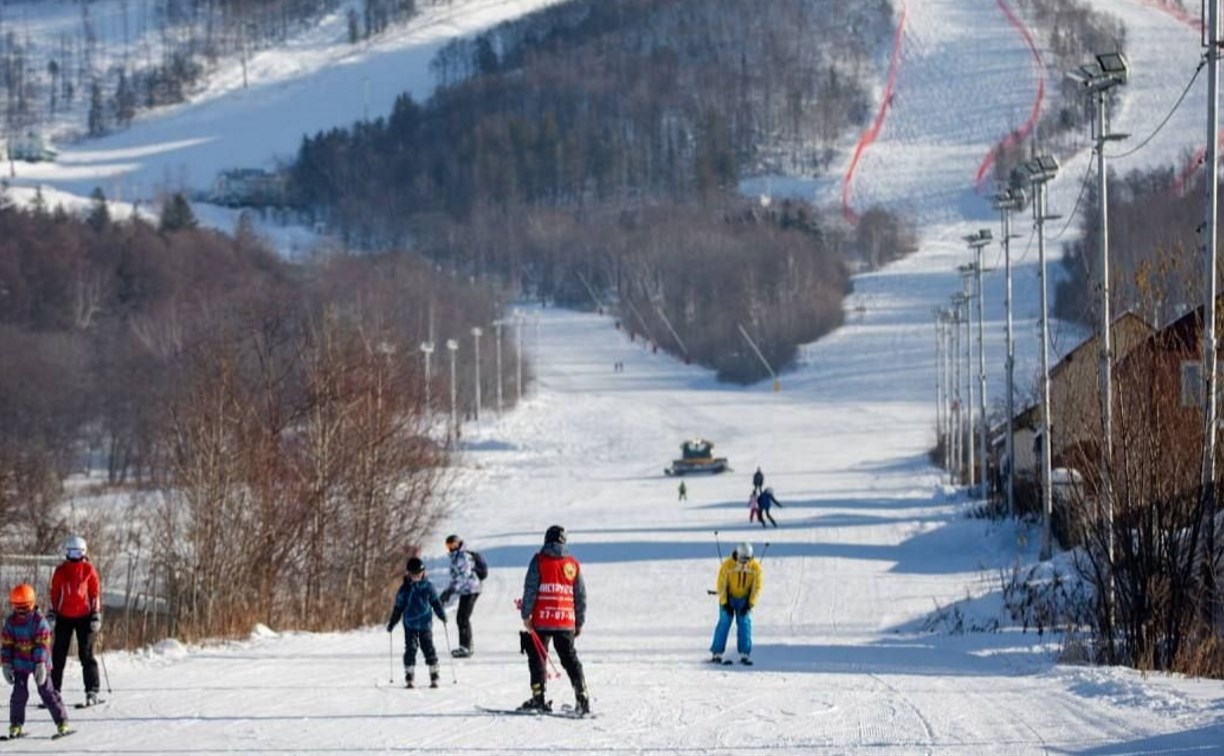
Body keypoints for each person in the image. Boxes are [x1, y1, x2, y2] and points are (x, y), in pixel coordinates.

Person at [519, 525, 589, 715]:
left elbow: (530, 589)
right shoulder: (572, 564)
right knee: (570, 658)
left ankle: (538, 697)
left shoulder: (539, 560)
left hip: (542, 619)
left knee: (537, 658)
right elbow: (580, 595)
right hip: (565, 619)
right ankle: (582, 697)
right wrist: (579, 621)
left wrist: (526, 615)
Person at [2, 584, 71, 739]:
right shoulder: (11, 622)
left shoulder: (39, 622)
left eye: (24, 608)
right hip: (20, 662)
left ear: (32, 604)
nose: (21, 612)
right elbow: (7, 644)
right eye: (17, 608)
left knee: (47, 691)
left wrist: (41, 663)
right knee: (19, 694)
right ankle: (16, 724)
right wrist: (6, 663)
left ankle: (62, 722)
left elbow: (42, 644)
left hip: (39, 662)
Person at [48, 535, 102, 706]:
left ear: (84, 553)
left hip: (84, 617)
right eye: (71, 552)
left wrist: (95, 614)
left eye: (77, 553)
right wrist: (53, 612)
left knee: (86, 653)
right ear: (66, 553)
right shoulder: (60, 571)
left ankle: (92, 690)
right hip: (64, 616)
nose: (74, 556)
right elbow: (54, 593)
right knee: (58, 654)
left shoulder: (88, 570)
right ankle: (53, 691)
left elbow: (94, 593)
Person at [386, 557, 447, 689]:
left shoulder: (428, 587)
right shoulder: (404, 590)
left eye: (420, 574)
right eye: (414, 575)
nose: (417, 577)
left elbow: (435, 602)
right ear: (408, 574)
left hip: (425, 624)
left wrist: (442, 615)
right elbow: (398, 608)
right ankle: (409, 674)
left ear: (423, 573)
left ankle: (434, 673)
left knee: (428, 648)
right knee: (411, 649)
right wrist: (392, 622)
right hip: (410, 625)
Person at [709, 542, 762, 666]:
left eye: (747, 560)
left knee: (745, 621)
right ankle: (717, 653)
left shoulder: (755, 568)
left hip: (744, 598)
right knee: (725, 620)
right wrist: (724, 603)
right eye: (741, 559)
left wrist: (750, 604)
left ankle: (745, 653)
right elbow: (721, 585)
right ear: (737, 555)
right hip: (729, 597)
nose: (743, 563)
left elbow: (757, 587)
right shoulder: (727, 566)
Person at [438, 534, 481, 657]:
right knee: (462, 617)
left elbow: (464, 576)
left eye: (452, 545)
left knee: (463, 618)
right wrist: (448, 591)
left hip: (471, 589)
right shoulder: (456, 557)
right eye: (448, 545)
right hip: (466, 590)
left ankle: (466, 647)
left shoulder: (463, 557)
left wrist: (451, 590)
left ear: (458, 544)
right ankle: (467, 647)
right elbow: (456, 577)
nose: (450, 548)